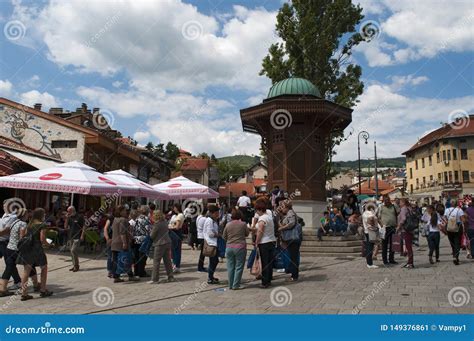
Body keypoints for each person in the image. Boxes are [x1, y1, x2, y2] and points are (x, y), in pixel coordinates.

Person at [17, 208, 53, 300]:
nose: (45, 215)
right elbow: (42, 239)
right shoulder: (42, 225)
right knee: (44, 268)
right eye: (44, 214)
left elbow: (23, 236)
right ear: (41, 215)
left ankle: (24, 294)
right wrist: (49, 244)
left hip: (28, 249)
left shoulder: (29, 224)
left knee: (26, 271)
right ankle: (43, 290)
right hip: (37, 249)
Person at [0, 208, 30, 296]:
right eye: (27, 214)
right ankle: (27, 289)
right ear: (24, 215)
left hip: (9, 248)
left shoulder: (14, 222)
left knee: (9, 268)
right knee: (28, 266)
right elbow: (22, 238)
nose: (28, 215)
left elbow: (6, 231)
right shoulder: (23, 224)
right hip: (17, 249)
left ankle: (3, 289)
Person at [110, 206, 138, 283]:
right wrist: (125, 243)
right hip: (121, 243)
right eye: (125, 211)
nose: (126, 212)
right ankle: (130, 276)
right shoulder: (123, 220)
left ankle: (116, 277)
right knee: (127, 259)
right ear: (121, 211)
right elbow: (122, 232)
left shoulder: (115, 219)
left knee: (116, 260)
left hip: (114, 242)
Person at [223, 209, 249, 290]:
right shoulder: (243, 224)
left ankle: (231, 284)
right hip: (240, 247)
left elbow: (224, 236)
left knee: (230, 266)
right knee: (239, 266)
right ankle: (236, 284)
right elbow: (247, 234)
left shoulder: (228, 224)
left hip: (229, 247)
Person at [149, 210, 176, 284]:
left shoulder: (157, 224)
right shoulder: (165, 222)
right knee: (167, 261)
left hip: (159, 244)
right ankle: (170, 277)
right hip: (167, 242)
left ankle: (155, 279)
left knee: (156, 262)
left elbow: (152, 235)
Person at [254, 199, 276, 288]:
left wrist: (256, 241)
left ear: (259, 209)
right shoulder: (269, 217)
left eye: (256, 210)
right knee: (270, 262)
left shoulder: (262, 218)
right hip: (272, 241)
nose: (256, 212)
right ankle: (269, 279)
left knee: (265, 262)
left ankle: (265, 282)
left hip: (264, 242)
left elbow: (260, 231)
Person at [277, 201, 301, 281]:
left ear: (287, 207)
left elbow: (291, 223)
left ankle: (294, 276)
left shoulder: (290, 213)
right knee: (293, 257)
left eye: (283, 207)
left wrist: (281, 228)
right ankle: (293, 274)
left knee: (293, 257)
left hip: (292, 238)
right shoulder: (288, 214)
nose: (282, 209)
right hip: (290, 238)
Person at [131, 206, 152, 277]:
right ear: (147, 211)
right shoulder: (146, 219)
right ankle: (141, 272)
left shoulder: (137, 218)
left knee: (136, 256)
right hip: (143, 240)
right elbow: (149, 230)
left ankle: (136, 271)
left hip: (136, 239)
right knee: (142, 257)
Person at [377, 196, 398, 265]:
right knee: (384, 245)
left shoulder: (394, 206)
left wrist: (397, 224)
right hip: (385, 228)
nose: (387, 202)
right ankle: (385, 260)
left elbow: (397, 214)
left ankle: (391, 259)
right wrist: (381, 225)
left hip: (393, 227)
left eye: (388, 200)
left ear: (389, 200)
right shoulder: (381, 207)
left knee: (393, 244)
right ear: (383, 201)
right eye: (385, 201)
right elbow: (378, 217)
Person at [444, 199, 464, 265]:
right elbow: (463, 219)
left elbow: (445, 219)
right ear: (456, 203)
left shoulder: (447, 210)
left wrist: (447, 222)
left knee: (452, 242)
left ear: (450, 203)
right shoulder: (459, 210)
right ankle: (456, 256)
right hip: (457, 228)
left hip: (449, 228)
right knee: (457, 243)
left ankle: (454, 255)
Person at [64, 206, 85, 272]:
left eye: (69, 211)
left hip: (77, 236)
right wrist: (66, 219)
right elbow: (65, 227)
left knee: (73, 250)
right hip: (71, 236)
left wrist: (82, 235)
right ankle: (74, 265)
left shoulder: (80, 217)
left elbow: (84, 226)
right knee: (71, 252)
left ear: (73, 210)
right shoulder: (69, 217)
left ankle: (76, 266)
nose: (68, 213)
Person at [203, 205, 220, 284]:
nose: (218, 214)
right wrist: (217, 235)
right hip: (211, 243)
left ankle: (211, 276)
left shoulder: (212, 220)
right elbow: (210, 233)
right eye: (217, 213)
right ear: (213, 213)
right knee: (213, 261)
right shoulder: (209, 221)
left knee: (214, 261)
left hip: (213, 242)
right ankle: (210, 277)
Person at [397, 198, 415, 268]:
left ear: (403, 203)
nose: (399, 204)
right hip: (410, 229)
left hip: (406, 229)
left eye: (400, 202)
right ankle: (409, 262)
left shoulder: (404, 209)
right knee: (409, 246)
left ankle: (410, 262)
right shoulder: (409, 208)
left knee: (408, 247)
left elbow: (403, 219)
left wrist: (399, 226)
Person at [362, 203, 379, 269]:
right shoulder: (368, 213)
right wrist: (374, 217)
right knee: (370, 247)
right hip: (370, 231)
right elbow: (370, 221)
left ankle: (369, 263)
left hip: (368, 231)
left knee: (370, 246)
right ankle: (369, 263)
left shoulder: (365, 213)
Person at [168, 203, 184, 273]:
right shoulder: (174, 215)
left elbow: (177, 227)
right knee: (173, 250)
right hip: (172, 233)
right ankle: (174, 264)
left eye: (174, 207)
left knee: (177, 250)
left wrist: (170, 227)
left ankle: (177, 266)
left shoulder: (180, 215)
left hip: (176, 233)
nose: (173, 209)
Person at [196, 207, 208, 272]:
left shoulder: (199, 217)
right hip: (203, 236)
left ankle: (200, 266)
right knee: (202, 254)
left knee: (202, 253)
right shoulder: (204, 219)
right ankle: (200, 267)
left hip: (199, 235)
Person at [103, 212, 115, 278]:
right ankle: (110, 271)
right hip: (111, 239)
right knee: (111, 256)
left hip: (116, 240)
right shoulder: (110, 220)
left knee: (114, 256)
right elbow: (105, 229)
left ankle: (114, 271)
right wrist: (107, 238)